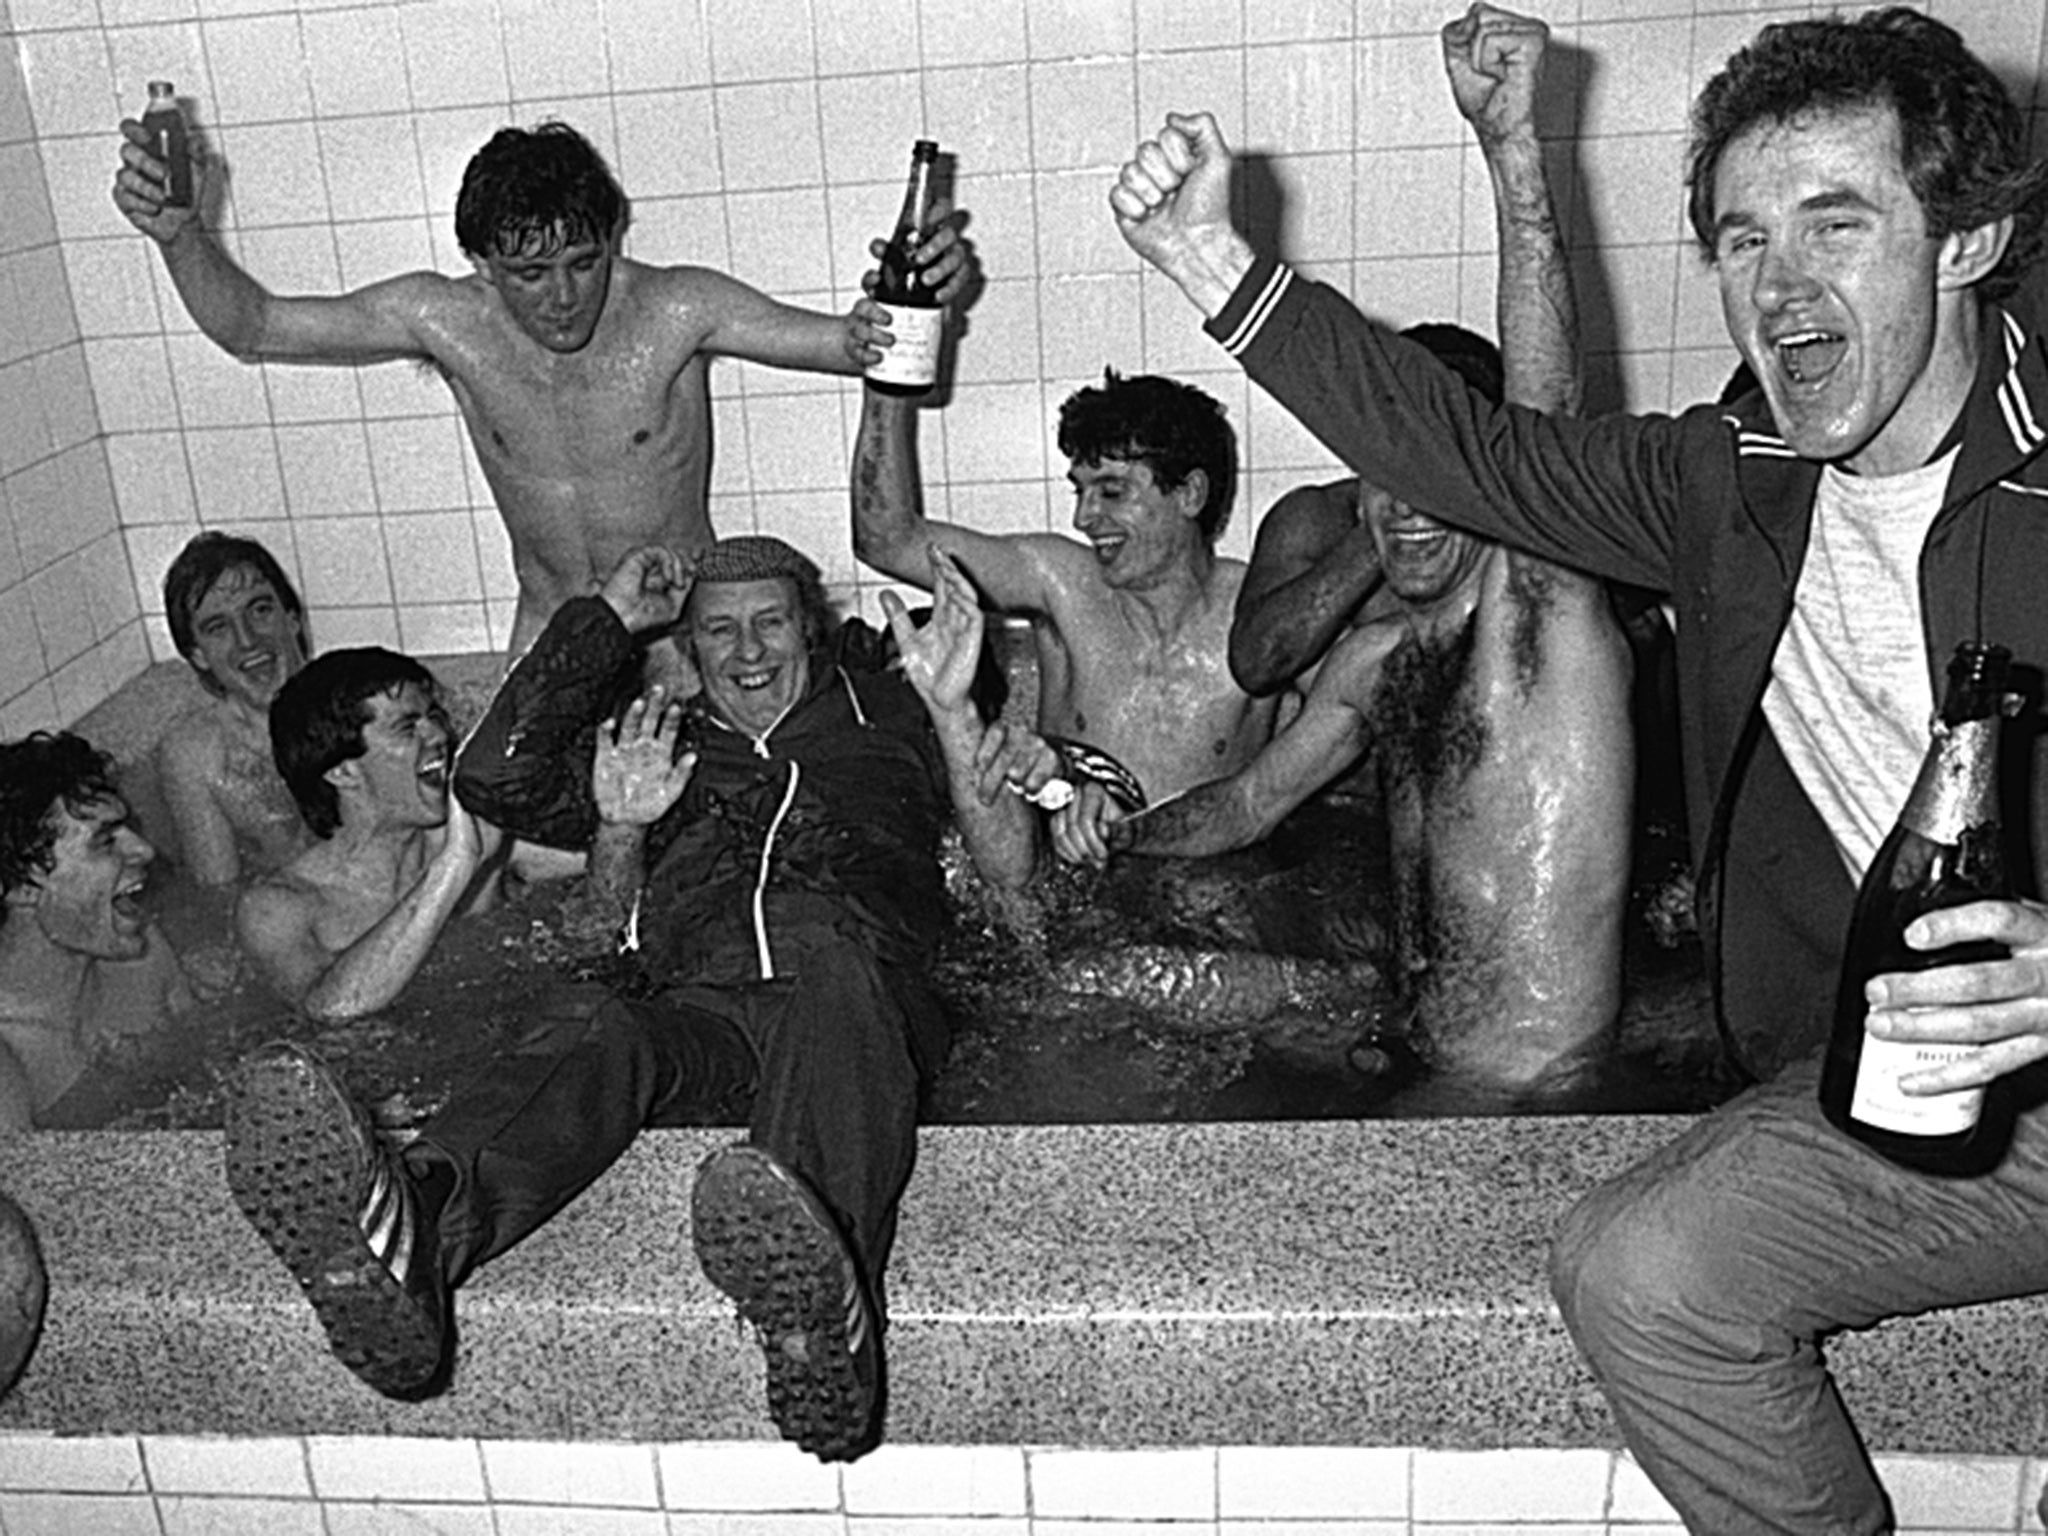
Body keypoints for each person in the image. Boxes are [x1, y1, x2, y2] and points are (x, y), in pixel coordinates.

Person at [1111, 3, 2048, 1530]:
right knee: (1635, 1268)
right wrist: (1219, 261)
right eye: (1743, 240)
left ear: (1960, 245)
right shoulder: (1724, 489)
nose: (1783, 286)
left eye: (1836, 222)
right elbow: (1479, 455)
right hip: (1920, 1094)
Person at [221, 534, 1030, 1464]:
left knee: (839, 966)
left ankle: (825, 1311)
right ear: (687, 645)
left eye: (771, 623)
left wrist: (955, 712)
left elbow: (1012, 880)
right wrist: (607, 662)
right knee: (592, 1010)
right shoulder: (658, 741)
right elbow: (489, 780)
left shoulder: (897, 710)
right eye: (719, 631)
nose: (749, 651)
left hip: (861, 1012)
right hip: (706, 1021)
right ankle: (413, 1242)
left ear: (812, 630)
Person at [111, 118, 968, 663]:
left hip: (681, 634)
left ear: (612, 238)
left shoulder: (677, 308)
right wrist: (180, 237)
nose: (563, 297)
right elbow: (253, 326)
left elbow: (855, 344)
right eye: (530, 273)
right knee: (512, 862)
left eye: (583, 262)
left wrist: (921, 289)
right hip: (555, 624)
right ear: (483, 266)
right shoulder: (444, 320)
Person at [853, 363, 1279, 858]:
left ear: (1190, 494)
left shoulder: (1260, 615)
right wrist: (888, 375)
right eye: (1080, 490)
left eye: (1112, 492)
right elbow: (887, 540)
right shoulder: (1060, 583)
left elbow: (1355, 705)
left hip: (1205, 891)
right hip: (1075, 888)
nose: (1084, 517)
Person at [234, 648, 505, 1021]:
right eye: (407, 727)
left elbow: (598, 904)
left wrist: (614, 824)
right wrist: (454, 867)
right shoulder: (280, 909)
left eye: (435, 717)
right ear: (343, 773)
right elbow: (330, 1010)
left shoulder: (472, 831)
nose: (440, 734)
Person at [0, 733, 192, 1130]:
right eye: (105, 841)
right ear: (20, 887)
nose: (144, 850)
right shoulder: (10, 1060)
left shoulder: (143, 954)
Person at [156, 532, 313, 888]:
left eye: (259, 610)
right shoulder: (196, 756)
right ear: (197, 654)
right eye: (218, 627)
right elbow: (219, 900)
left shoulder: (364, 706)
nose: (247, 640)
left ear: (291, 618)